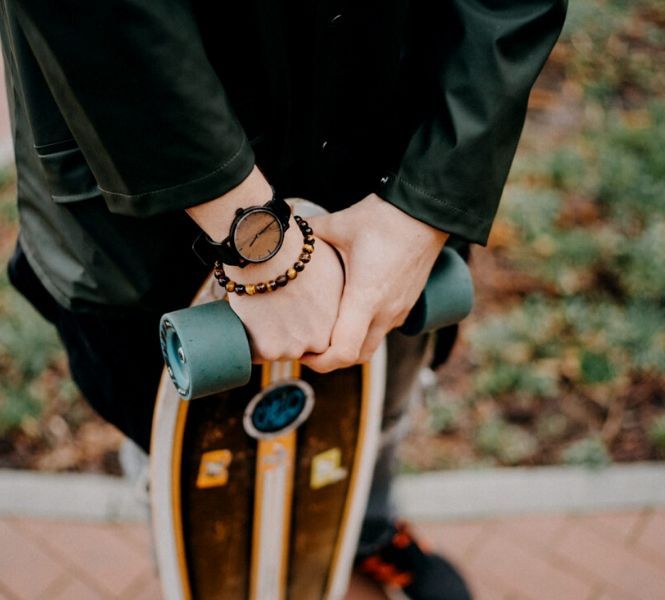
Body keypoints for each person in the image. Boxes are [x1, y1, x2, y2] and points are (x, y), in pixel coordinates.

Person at [0, 1, 566, 598]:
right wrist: (257, 245)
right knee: (186, 457)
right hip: (144, 188)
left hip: (390, 179)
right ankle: (199, 578)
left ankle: (366, 532)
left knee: (379, 409)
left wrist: (426, 205)